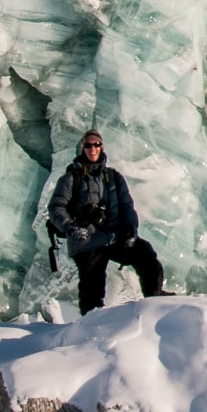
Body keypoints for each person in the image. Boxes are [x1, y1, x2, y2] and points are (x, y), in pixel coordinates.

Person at [48, 130, 166, 314]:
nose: (92, 148)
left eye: (96, 144)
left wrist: (130, 230)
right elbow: (56, 207)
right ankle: (91, 323)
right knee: (92, 287)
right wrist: (70, 227)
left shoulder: (113, 177)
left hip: (113, 237)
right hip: (87, 241)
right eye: (88, 145)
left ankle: (155, 299)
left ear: (102, 147)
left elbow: (127, 206)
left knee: (145, 253)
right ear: (82, 148)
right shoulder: (71, 179)